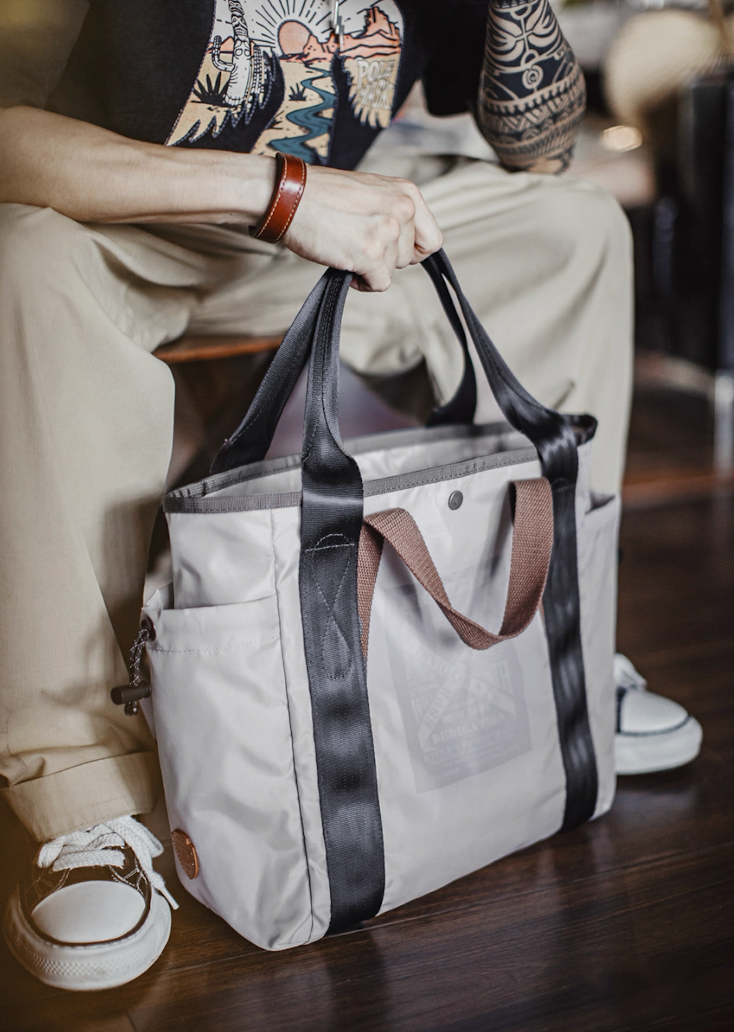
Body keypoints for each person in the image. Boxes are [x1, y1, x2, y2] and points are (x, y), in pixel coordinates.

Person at [0, 0, 701, 992]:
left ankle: (560, 655)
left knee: (570, 223)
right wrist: (282, 194)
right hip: (127, 219)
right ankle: (81, 800)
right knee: (16, 266)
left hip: (317, 229)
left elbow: (540, 147)